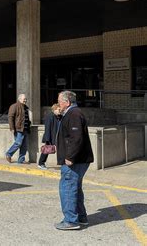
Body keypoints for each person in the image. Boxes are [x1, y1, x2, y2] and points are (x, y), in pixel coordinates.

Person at [55, 91, 94, 230]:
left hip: (75, 160)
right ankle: (81, 217)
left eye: (60, 101)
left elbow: (76, 138)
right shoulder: (70, 114)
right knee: (75, 187)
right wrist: (59, 117)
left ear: (67, 102)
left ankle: (71, 220)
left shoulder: (74, 114)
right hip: (79, 159)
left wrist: (70, 157)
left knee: (67, 187)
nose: (58, 103)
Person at [5, 94, 31, 164]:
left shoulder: (25, 107)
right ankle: (8, 154)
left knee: (24, 146)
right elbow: (10, 117)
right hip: (18, 129)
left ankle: (21, 160)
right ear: (19, 99)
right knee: (18, 143)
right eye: (24, 99)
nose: (25, 100)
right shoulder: (14, 106)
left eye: (26, 99)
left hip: (25, 129)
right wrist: (12, 128)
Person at [38, 103, 62, 170]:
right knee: (46, 150)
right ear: (54, 110)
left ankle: (63, 163)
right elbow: (47, 128)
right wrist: (47, 139)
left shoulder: (60, 117)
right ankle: (41, 163)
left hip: (57, 137)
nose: (60, 111)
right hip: (50, 137)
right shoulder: (50, 117)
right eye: (58, 109)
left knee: (61, 150)